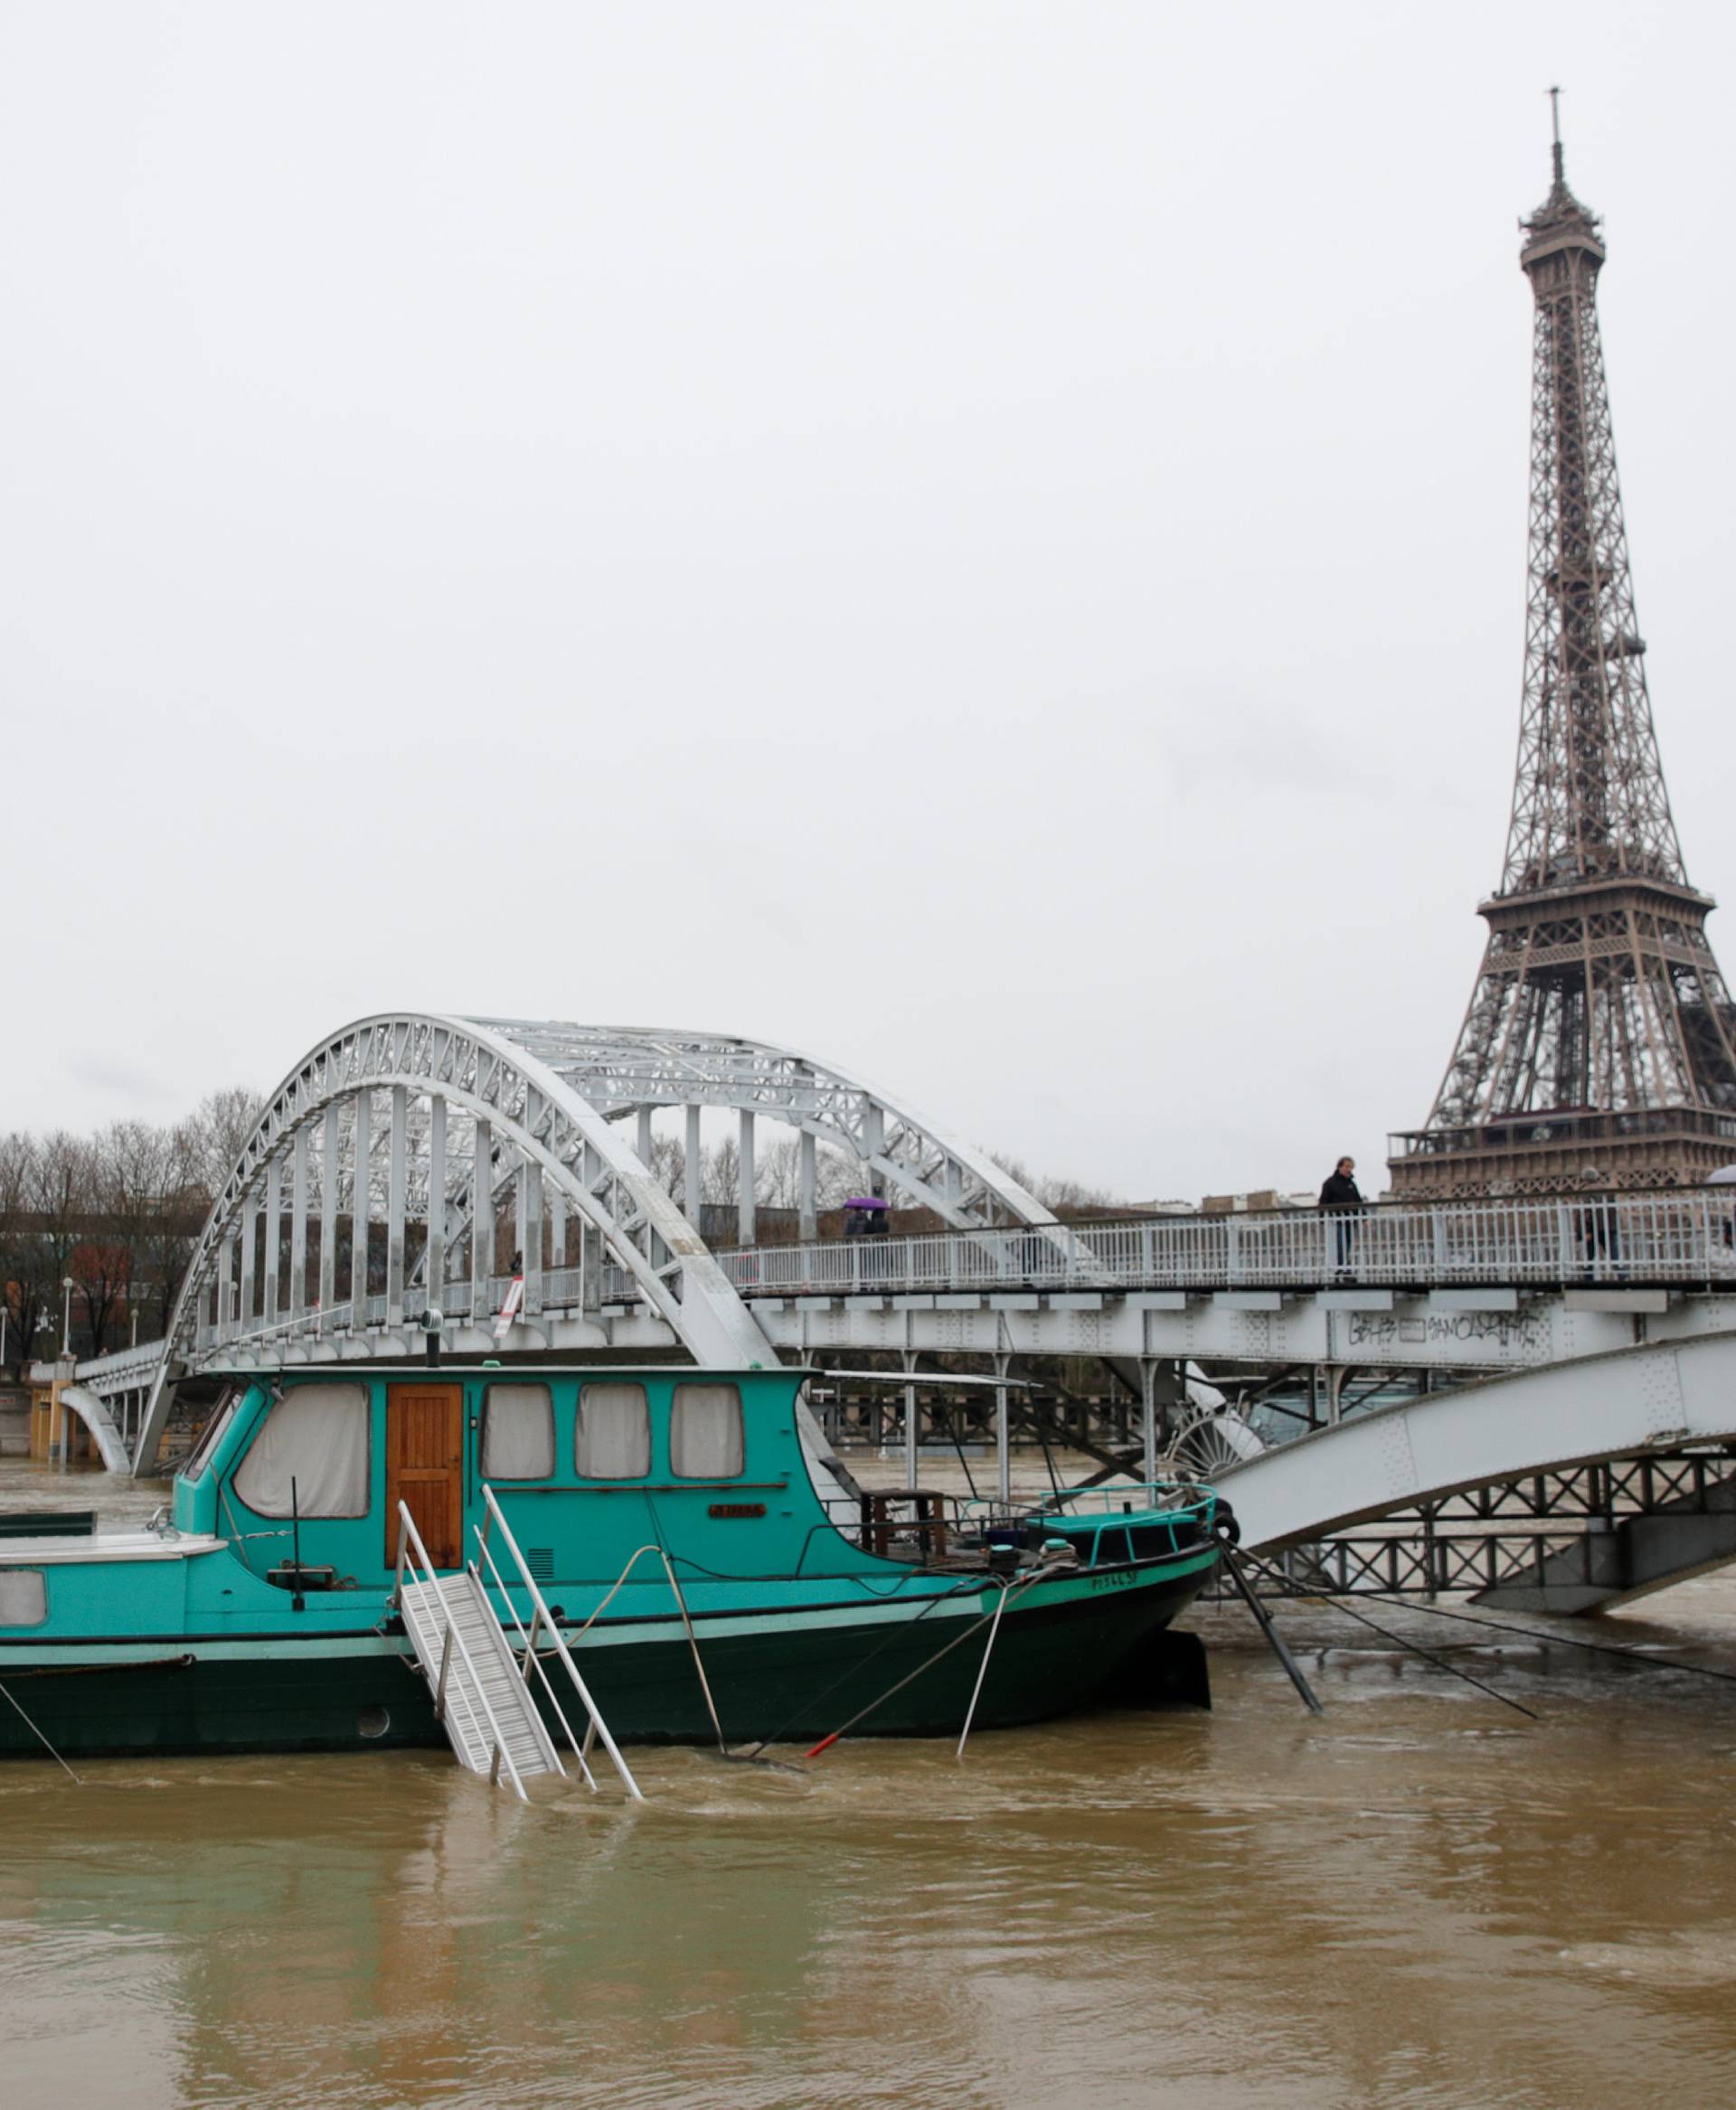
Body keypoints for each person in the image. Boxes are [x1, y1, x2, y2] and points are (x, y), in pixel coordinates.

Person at [1318, 1156, 1363, 1276]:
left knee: (1347, 1245)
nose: (1349, 1170)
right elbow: (1324, 1201)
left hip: (1349, 1220)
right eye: (1347, 1167)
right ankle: (1341, 1268)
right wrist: (1323, 1218)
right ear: (1340, 1167)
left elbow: (1358, 1201)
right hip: (1337, 1220)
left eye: (1351, 1167)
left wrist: (1364, 1217)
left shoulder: (1351, 1183)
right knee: (1340, 1245)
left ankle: (1344, 1268)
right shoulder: (1330, 1183)